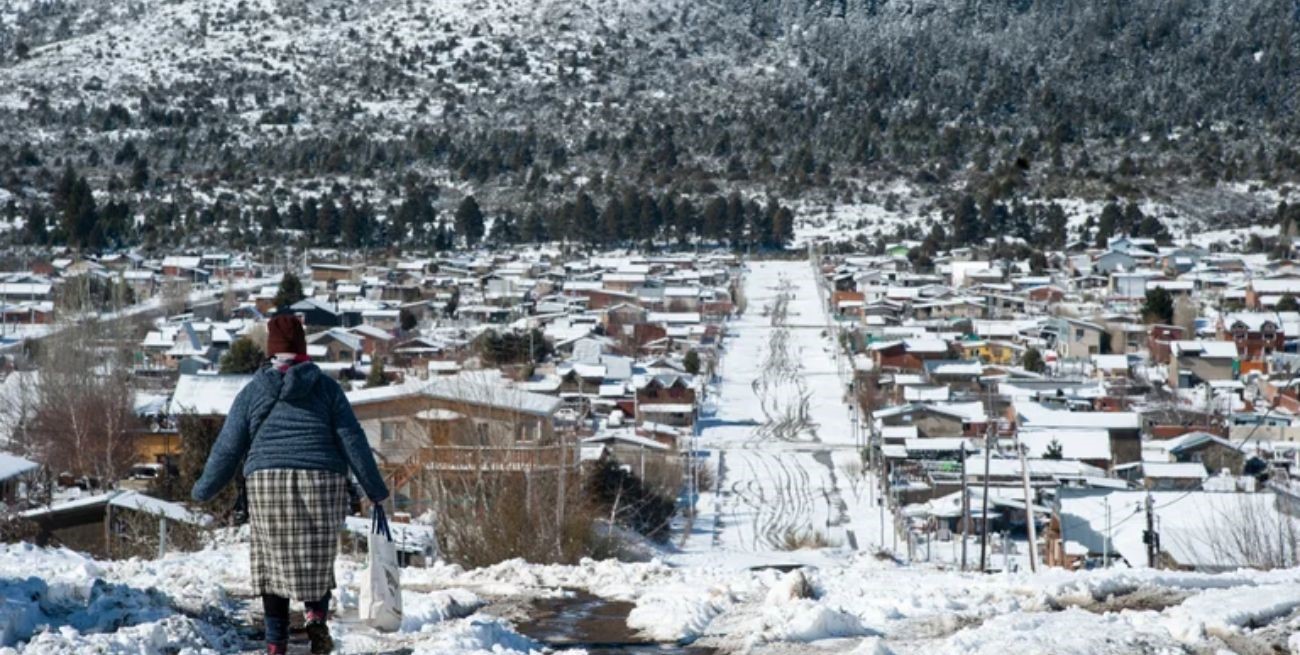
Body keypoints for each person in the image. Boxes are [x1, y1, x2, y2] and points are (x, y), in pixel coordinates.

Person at [193, 314, 389, 655]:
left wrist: (203, 490)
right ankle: (315, 617)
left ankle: (275, 644)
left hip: (267, 482)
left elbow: (228, 447)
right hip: (322, 481)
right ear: (303, 348)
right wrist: (375, 490)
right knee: (317, 559)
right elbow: (352, 439)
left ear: (271, 350)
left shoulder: (253, 391)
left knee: (272, 567)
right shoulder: (327, 388)